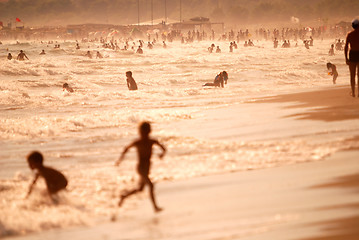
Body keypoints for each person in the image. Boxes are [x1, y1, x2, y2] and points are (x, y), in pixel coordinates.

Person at [115, 121, 166, 212]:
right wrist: (119, 160)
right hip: (141, 168)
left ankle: (124, 196)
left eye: (146, 132)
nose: (144, 134)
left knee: (140, 189)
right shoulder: (138, 142)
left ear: (149, 131)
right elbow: (126, 149)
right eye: (143, 132)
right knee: (151, 185)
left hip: (147, 168)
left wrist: (162, 154)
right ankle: (155, 207)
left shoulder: (152, 141)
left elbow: (164, 148)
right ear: (140, 132)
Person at [344, 19, 359, 97]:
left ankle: (353, 92)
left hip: (352, 54)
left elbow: (346, 47)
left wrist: (346, 58)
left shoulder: (350, 34)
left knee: (352, 75)